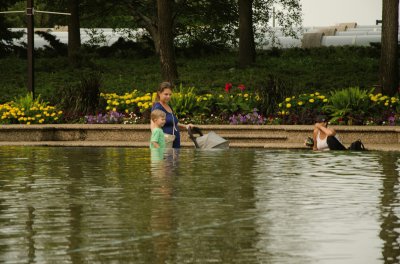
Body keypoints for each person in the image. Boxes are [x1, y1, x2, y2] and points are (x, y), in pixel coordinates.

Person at [151, 82, 193, 148]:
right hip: (165, 143)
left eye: (170, 94)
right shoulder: (157, 107)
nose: (168, 97)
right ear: (159, 93)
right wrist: (157, 144)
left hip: (175, 141)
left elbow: (173, 123)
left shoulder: (168, 106)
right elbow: (153, 126)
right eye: (166, 94)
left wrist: (186, 126)